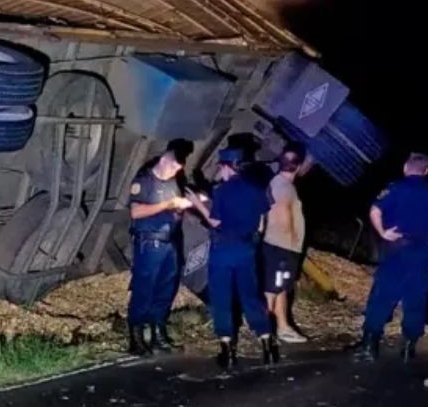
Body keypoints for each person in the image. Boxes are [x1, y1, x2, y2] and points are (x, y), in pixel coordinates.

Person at [187, 144, 278, 370]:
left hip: (223, 250)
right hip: (246, 249)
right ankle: (267, 345)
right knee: (251, 296)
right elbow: (262, 219)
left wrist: (198, 203)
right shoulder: (257, 189)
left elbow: (215, 221)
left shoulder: (222, 191)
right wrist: (255, 238)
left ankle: (227, 351)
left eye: (221, 167)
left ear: (227, 167)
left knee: (222, 299)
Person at [353, 153, 428, 364]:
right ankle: (408, 347)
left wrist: (383, 232)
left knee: (383, 295)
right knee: (416, 298)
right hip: (422, 250)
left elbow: (375, 210)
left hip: (397, 248)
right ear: (426, 171)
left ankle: (369, 346)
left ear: (406, 167)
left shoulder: (394, 187)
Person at [126, 140, 195, 355]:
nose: (176, 171)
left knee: (166, 288)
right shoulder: (144, 181)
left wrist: (184, 206)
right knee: (144, 287)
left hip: (171, 241)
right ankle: (136, 338)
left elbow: (174, 209)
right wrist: (168, 205)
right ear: (165, 159)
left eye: (179, 169)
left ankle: (158, 333)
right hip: (150, 241)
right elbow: (135, 212)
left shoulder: (173, 182)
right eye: (174, 166)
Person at [262, 145, 309, 343]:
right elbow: (283, 220)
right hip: (281, 248)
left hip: (278, 247)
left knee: (279, 288)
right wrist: (291, 248)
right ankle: (264, 332)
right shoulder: (284, 188)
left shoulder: (279, 183)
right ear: (298, 167)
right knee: (272, 290)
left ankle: (283, 328)